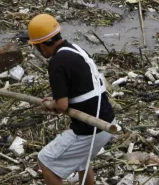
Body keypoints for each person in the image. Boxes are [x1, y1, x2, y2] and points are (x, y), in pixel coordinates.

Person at [28, 13, 116, 185]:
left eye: (37, 47)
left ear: (43, 45)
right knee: (82, 158)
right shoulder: (75, 49)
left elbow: (62, 105)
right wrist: (55, 100)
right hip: (107, 121)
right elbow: (80, 88)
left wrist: (51, 104)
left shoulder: (57, 62)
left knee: (46, 160)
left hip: (91, 130)